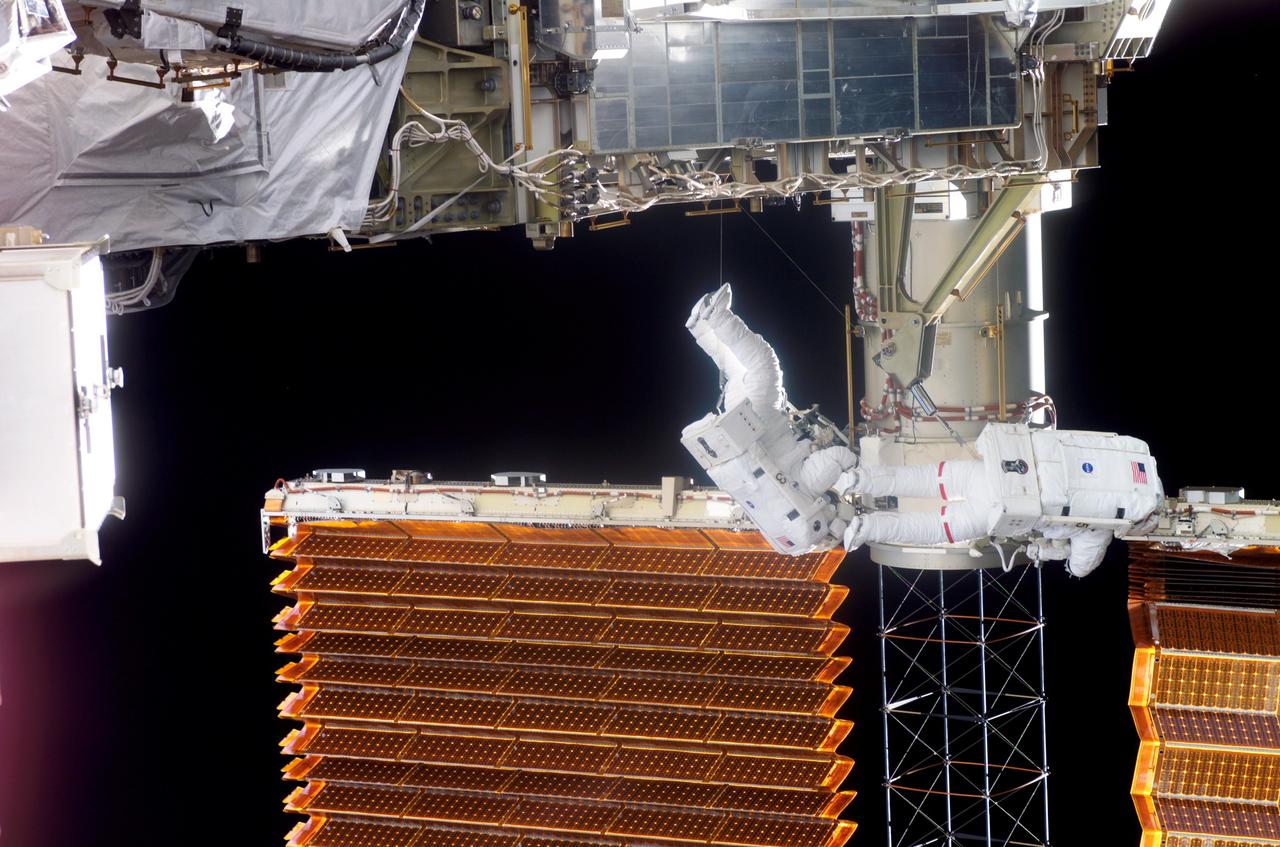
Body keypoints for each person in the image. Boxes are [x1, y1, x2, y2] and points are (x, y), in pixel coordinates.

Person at [837, 422, 1164, 576]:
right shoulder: (1103, 526)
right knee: (934, 528)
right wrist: (1054, 552)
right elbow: (1080, 567)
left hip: (995, 466)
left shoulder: (1131, 450)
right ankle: (867, 527)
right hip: (1000, 506)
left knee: (923, 478)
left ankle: (859, 477)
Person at [682, 283, 858, 554]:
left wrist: (855, 469)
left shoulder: (810, 489)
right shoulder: (783, 512)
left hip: (763, 425)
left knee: (764, 363)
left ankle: (716, 316)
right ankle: (700, 326)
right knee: (739, 371)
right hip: (744, 432)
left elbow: (839, 458)